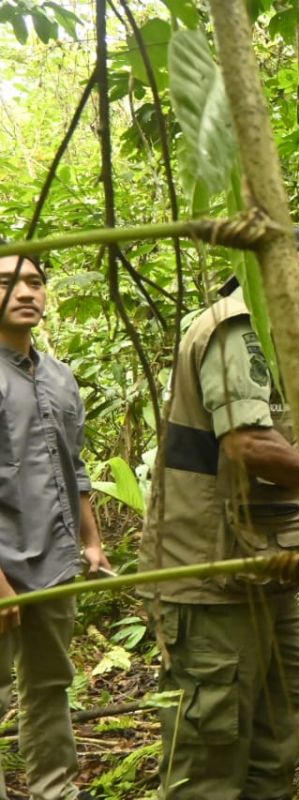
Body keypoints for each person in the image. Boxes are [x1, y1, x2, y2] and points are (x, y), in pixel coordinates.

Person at [137, 228, 299, 799]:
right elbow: (248, 442)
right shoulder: (237, 326)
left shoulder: (281, 343)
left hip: (262, 569)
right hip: (211, 575)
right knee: (212, 744)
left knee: (284, 709)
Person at [0, 246, 110, 800]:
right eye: (8, 281)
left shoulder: (61, 377)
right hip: (2, 562)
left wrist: (91, 541)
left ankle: (56, 790)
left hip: (54, 557)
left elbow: (75, 467)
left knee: (49, 682)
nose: (25, 292)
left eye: (36, 282)